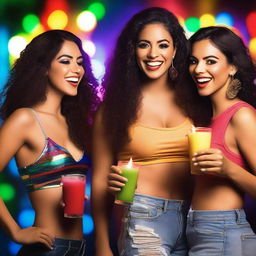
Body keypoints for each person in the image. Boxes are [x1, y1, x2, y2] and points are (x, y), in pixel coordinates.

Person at [91, 7, 222, 256]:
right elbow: (99, 180)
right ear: (132, 50)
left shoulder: (197, 99)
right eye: (144, 45)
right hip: (143, 217)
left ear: (175, 50)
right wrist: (101, 244)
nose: (153, 54)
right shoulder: (114, 109)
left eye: (163, 45)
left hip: (197, 219)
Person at [0, 29, 99, 255]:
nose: (76, 69)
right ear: (44, 67)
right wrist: (15, 231)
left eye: (80, 62)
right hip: (47, 249)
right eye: (65, 61)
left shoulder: (76, 122)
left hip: (81, 248)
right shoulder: (25, 119)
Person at [187, 26, 256, 255]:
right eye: (194, 61)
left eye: (210, 61)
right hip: (198, 231)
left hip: (223, 233)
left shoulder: (242, 115)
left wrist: (229, 169)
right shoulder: (205, 119)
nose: (199, 69)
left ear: (232, 66)